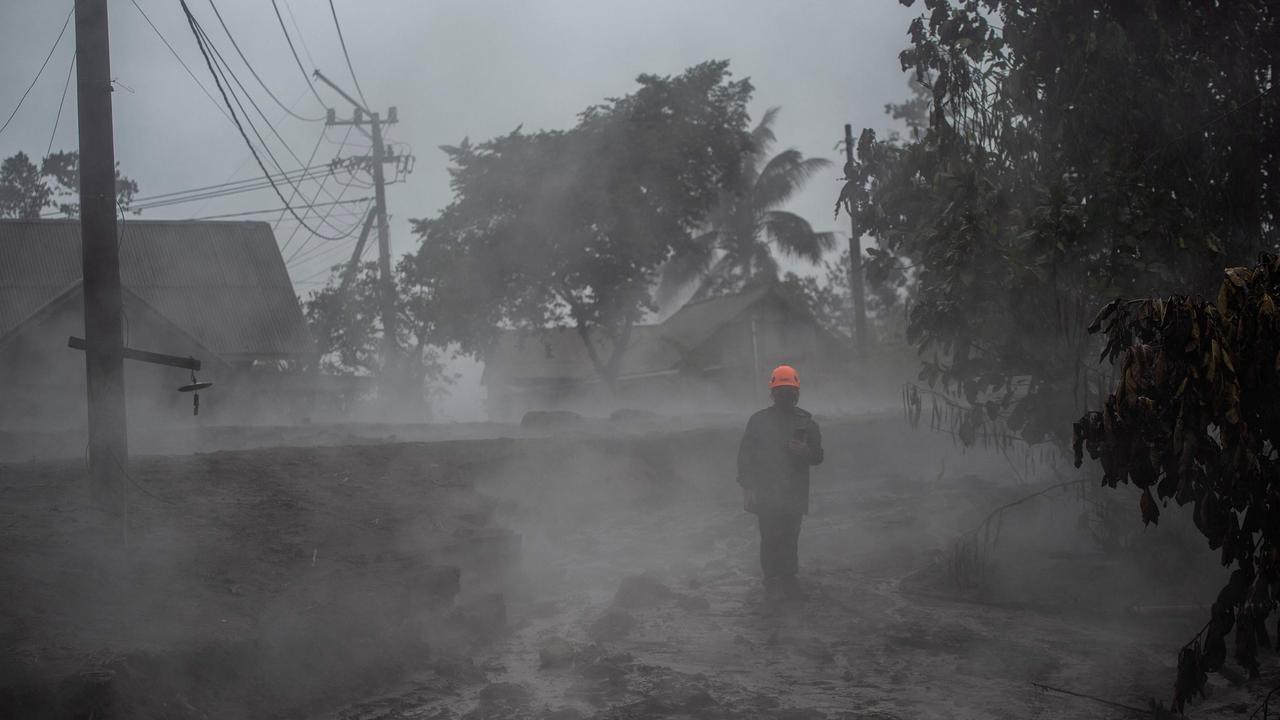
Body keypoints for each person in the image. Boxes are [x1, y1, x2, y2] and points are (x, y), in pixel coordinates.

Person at [736, 364, 824, 601]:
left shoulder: (807, 423)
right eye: (781, 390)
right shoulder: (759, 421)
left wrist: (805, 450)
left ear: (796, 394)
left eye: (789, 391)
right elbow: (746, 457)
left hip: (794, 492)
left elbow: (818, 456)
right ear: (773, 394)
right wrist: (748, 488)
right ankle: (772, 579)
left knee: (790, 535)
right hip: (766, 491)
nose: (785, 395)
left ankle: (789, 579)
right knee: (770, 535)